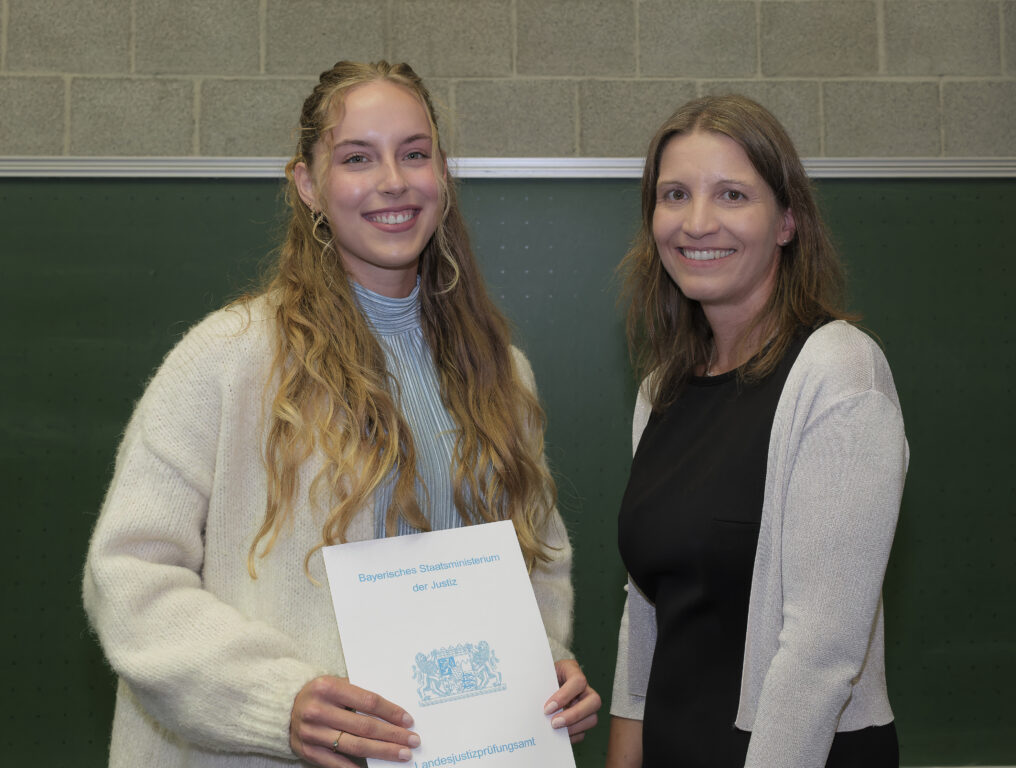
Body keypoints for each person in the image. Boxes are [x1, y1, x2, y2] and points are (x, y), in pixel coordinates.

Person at [83, 60, 599, 768]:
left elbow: (536, 562)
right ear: (308, 184)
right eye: (357, 158)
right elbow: (129, 575)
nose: (393, 181)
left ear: (442, 174)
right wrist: (279, 702)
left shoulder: (501, 373)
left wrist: (543, 666)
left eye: (414, 154)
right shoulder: (227, 359)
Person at [606, 94, 908, 768]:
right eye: (675, 194)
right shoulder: (660, 390)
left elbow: (822, 656)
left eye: (733, 194)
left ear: (787, 221)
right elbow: (646, 607)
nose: (697, 222)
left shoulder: (839, 373)